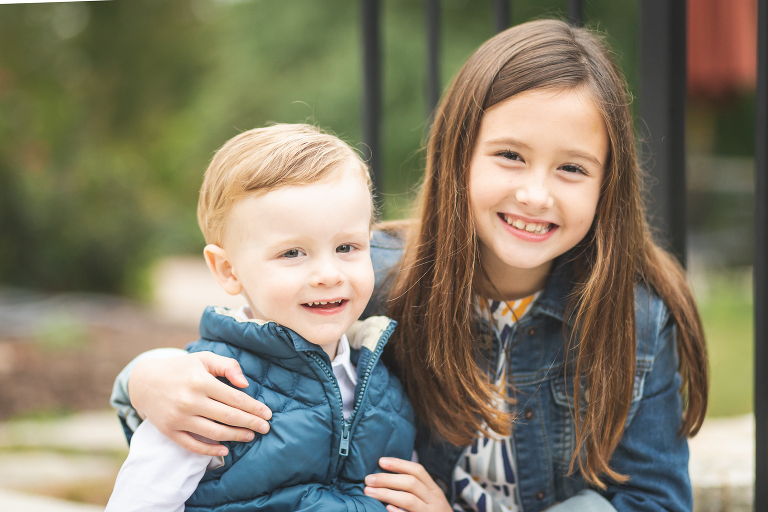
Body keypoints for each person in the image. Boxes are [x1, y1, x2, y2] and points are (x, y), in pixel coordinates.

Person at [111, 20, 709, 512]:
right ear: (460, 154)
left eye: (572, 169)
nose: (535, 194)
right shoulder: (370, 279)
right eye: (509, 156)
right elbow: (253, 340)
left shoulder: (635, 315)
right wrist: (144, 377)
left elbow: (655, 503)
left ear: (610, 183)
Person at [106, 123, 416, 512]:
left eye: (347, 247)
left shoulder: (384, 381)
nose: (329, 274)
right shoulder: (207, 392)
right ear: (228, 270)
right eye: (292, 253)